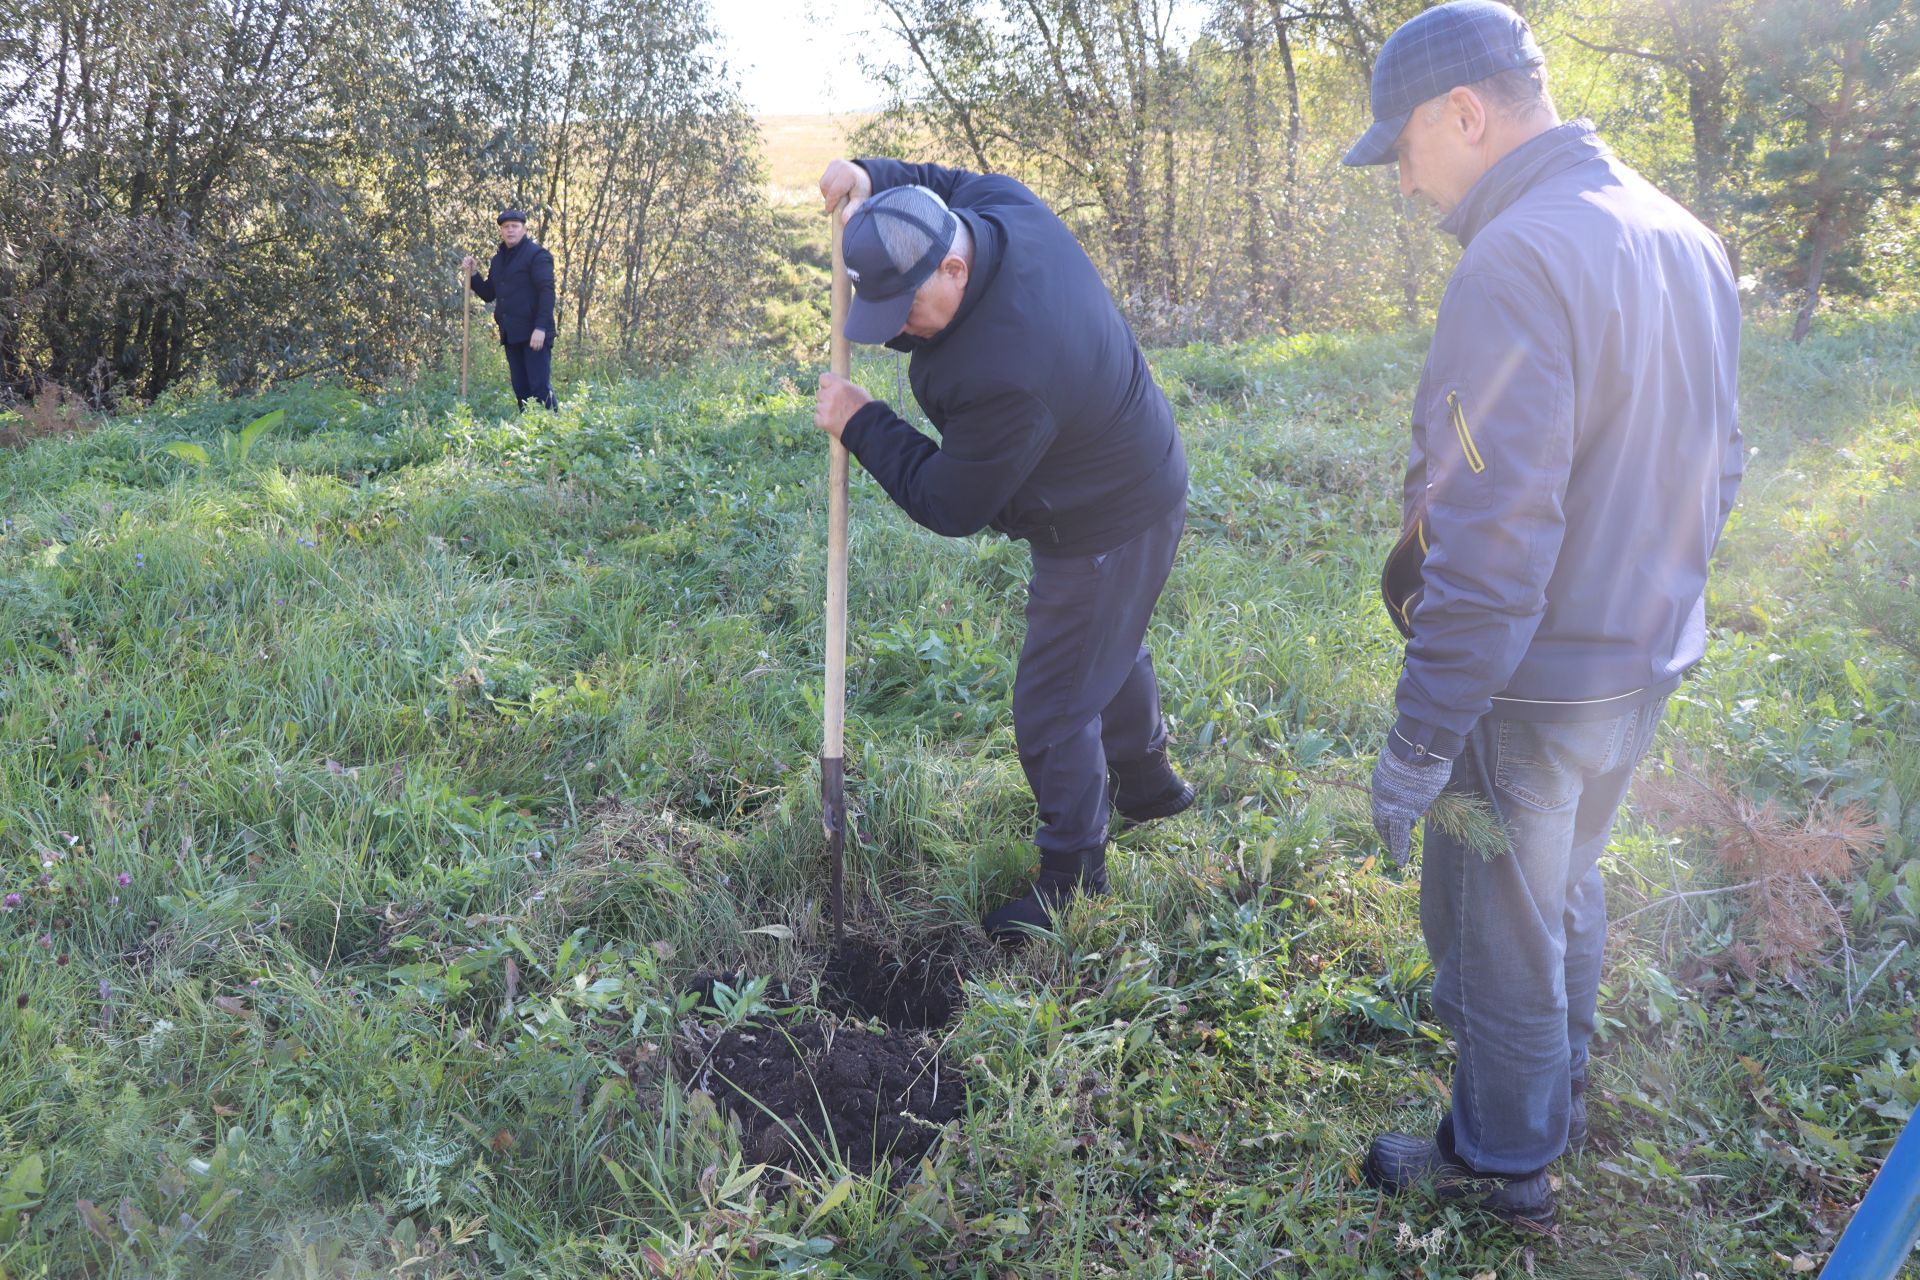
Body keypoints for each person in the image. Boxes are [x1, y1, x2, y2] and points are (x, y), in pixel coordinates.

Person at [1346, 0, 1743, 1228]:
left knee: (1490, 918)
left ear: (1464, 114)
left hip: (1531, 676)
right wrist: (1659, 606)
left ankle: (1502, 1158)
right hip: (1642, 655)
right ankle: (1553, 1088)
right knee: (1562, 878)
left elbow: (1492, 536)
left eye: (1402, 149)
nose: (1404, 181)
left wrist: (1420, 740)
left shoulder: (1515, 258)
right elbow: (1722, 461)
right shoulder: (1681, 232)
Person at [811, 158, 1193, 944]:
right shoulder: (995, 207)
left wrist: (862, 422)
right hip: (1137, 469)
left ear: (953, 265)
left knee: (1053, 706)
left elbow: (953, 502)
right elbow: (936, 179)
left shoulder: (1012, 369)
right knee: (1108, 639)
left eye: (905, 307)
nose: (894, 330)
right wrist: (870, 174)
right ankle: (1149, 784)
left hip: (1103, 517)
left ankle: (1072, 880)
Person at [464, 209, 556, 411]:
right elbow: (489, 293)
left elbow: (547, 293)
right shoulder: (498, 261)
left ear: (524, 229)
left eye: (515, 226)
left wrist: (541, 327)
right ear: (501, 231)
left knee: (540, 388)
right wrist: (474, 274)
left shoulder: (537, 255)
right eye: (506, 227)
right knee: (522, 391)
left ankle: (554, 433)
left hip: (535, 334)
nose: (510, 231)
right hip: (512, 334)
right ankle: (529, 436)